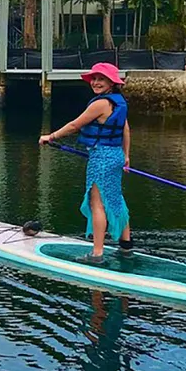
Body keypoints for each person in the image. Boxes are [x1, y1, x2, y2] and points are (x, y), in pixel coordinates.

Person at [38, 62, 131, 264]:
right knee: (116, 198)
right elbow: (125, 130)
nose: (96, 83)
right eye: (94, 79)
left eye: (101, 79)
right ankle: (126, 246)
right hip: (115, 155)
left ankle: (97, 254)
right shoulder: (119, 102)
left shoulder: (100, 104)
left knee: (96, 203)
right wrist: (126, 156)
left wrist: (51, 137)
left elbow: (74, 125)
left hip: (102, 158)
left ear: (111, 83)